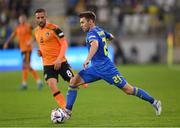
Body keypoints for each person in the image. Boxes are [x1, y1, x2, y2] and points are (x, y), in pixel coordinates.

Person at [64, 11, 162, 119]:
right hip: (96, 68)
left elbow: (95, 45)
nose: (81, 25)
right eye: (80, 22)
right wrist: (108, 38)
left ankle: (154, 102)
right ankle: (67, 112)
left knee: (128, 90)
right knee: (73, 82)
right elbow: (111, 36)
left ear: (90, 21)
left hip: (107, 69)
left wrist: (87, 59)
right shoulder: (99, 30)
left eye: (83, 22)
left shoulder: (91, 33)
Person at [34, 8, 88, 109]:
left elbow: (64, 44)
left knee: (74, 82)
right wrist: (41, 52)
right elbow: (44, 45)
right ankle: (65, 108)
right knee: (52, 86)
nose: (40, 19)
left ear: (46, 17)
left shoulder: (55, 28)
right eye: (38, 18)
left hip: (61, 62)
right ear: (35, 19)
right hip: (47, 64)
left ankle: (82, 78)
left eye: (42, 17)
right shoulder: (36, 31)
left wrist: (59, 59)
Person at [3, 14, 43, 90]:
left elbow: (35, 35)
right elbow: (13, 35)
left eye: (23, 19)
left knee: (26, 65)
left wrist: (30, 41)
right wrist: (7, 42)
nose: (21, 20)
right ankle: (25, 83)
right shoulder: (17, 28)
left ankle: (38, 81)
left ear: (25, 19)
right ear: (19, 20)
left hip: (27, 49)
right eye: (20, 19)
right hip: (22, 49)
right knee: (25, 66)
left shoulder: (29, 26)